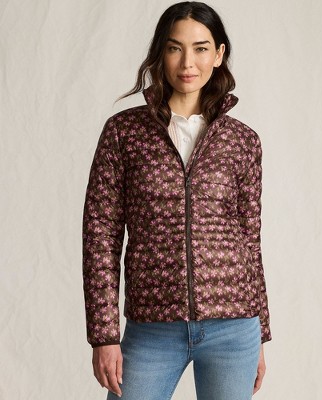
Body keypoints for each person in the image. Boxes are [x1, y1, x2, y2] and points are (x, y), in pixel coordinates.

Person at [82, 2, 272, 399]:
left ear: (218, 54)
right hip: (152, 328)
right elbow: (100, 236)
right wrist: (104, 334)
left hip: (234, 328)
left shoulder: (243, 141)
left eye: (201, 48)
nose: (188, 62)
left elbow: (250, 239)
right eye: (175, 48)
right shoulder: (124, 133)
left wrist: (260, 334)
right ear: (160, 53)